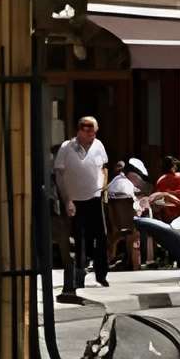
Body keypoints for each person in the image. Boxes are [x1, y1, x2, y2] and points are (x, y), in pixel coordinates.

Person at [52, 114, 111, 299]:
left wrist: (103, 188)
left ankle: (102, 274)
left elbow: (104, 167)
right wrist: (67, 199)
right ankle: (79, 275)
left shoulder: (98, 145)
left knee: (101, 236)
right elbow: (59, 175)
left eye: (94, 133)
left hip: (94, 197)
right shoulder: (67, 148)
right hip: (75, 200)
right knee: (79, 238)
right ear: (80, 131)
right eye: (89, 133)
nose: (92, 137)